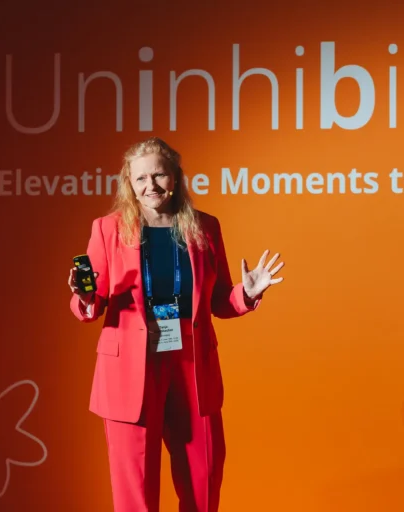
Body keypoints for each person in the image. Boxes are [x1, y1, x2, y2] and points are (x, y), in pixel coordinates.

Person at [67, 137, 284, 512]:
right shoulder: (107, 230)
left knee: (204, 478)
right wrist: (85, 297)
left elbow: (219, 301)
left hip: (191, 363)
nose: (150, 186)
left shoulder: (206, 227)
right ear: (129, 183)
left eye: (159, 175)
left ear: (175, 177)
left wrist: (246, 294)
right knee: (135, 490)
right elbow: (92, 301)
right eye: (140, 178)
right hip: (130, 368)